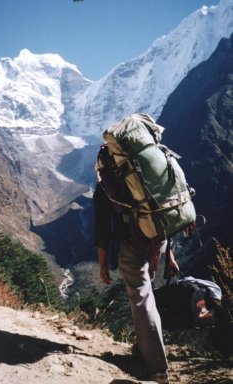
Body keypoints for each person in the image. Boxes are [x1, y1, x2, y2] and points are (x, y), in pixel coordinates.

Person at [94, 146, 179, 384]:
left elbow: (101, 229)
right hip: (158, 240)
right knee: (147, 292)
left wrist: (102, 263)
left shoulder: (106, 184)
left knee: (141, 297)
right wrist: (170, 254)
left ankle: (157, 368)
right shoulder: (150, 172)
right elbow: (163, 209)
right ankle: (146, 347)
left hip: (132, 243)